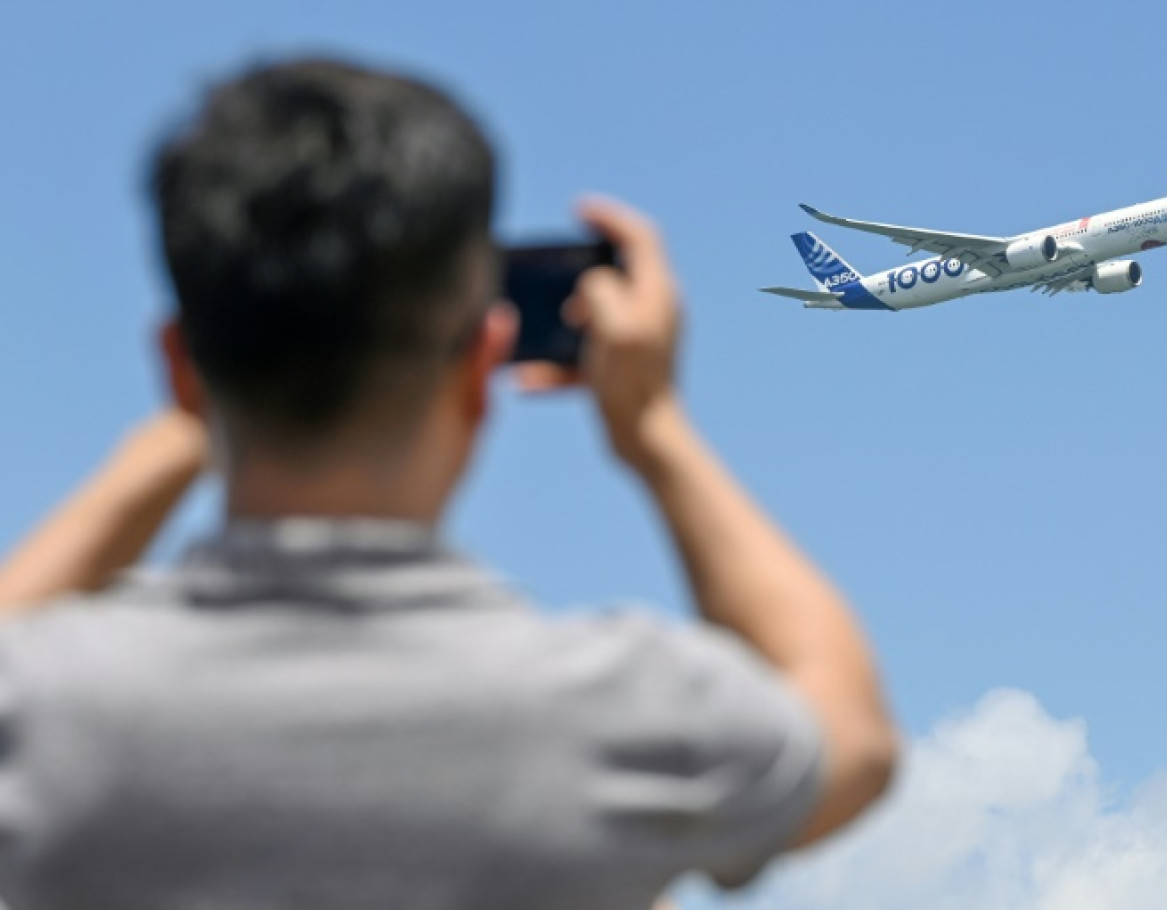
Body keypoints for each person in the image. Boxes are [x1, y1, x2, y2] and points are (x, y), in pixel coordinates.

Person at [0, 59, 897, 910]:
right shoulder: (615, 715)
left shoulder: (44, 716)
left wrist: (168, 442)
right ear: (483, 365)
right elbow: (849, 736)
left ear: (180, 370)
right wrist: (655, 431)